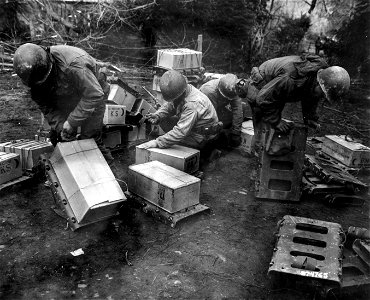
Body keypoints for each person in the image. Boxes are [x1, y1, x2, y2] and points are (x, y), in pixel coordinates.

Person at [13, 43, 113, 163]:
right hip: (67, 94)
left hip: (95, 90)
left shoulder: (73, 65)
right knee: (57, 137)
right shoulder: (33, 79)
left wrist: (71, 122)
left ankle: (111, 176)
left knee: (90, 140)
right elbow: (47, 108)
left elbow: (94, 94)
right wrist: (62, 128)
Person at [238, 54, 350, 133]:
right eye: (322, 94)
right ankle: (258, 150)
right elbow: (263, 98)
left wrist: (310, 118)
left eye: (324, 96)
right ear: (318, 82)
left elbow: (310, 98)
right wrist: (276, 121)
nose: (321, 97)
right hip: (262, 82)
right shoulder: (292, 78)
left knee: (275, 120)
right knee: (262, 114)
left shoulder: (315, 78)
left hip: (277, 86)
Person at [139, 70, 221, 151]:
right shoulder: (184, 90)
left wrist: (157, 142)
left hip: (203, 137)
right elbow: (170, 105)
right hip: (194, 127)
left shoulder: (192, 104)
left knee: (171, 147)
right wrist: (158, 115)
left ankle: (208, 152)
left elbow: (180, 132)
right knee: (164, 121)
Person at [200, 73, 248, 148]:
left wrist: (236, 133)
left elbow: (237, 110)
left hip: (219, 108)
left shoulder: (235, 88)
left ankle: (227, 132)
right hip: (204, 111)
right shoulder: (209, 91)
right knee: (209, 130)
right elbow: (210, 116)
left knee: (242, 107)